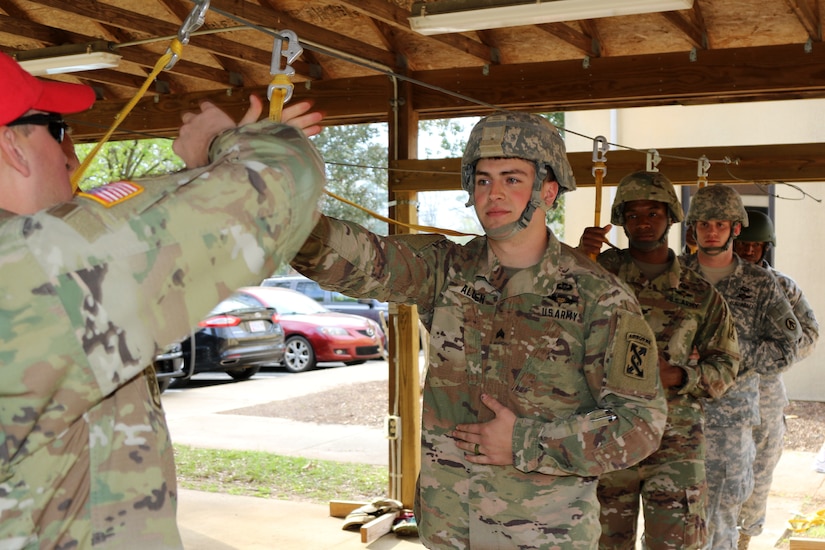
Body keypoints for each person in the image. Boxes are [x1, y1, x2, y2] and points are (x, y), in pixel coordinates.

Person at [291, 111, 668, 548]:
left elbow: (640, 423)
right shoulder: (447, 269)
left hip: (541, 535)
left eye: (512, 179)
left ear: (548, 191)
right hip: (447, 528)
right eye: (484, 179)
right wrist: (286, 201)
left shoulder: (598, 297)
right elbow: (355, 258)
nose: (494, 194)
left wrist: (525, 442)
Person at [0, 51, 326, 549]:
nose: (70, 154)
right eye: (57, 128)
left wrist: (210, 168)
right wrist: (222, 142)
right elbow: (281, 183)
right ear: (11, 145)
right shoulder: (27, 269)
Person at [578, 171, 740, 549]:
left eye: (653, 213)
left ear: (670, 217)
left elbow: (726, 365)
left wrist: (679, 376)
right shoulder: (597, 274)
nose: (643, 222)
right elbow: (553, 327)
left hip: (676, 442)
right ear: (622, 220)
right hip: (607, 433)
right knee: (599, 543)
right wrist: (575, 257)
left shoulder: (699, 293)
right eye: (633, 215)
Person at [680, 185, 802, 550]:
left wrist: (728, 353)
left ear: (736, 228)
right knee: (669, 518)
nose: (712, 231)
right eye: (704, 223)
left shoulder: (761, 284)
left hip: (729, 425)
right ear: (693, 228)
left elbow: (787, 348)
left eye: (721, 223)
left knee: (720, 520)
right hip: (674, 417)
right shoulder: (672, 274)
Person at [733, 209, 819, 549]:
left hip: (766, 393)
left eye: (757, 244)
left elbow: (809, 334)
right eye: (743, 243)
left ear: (767, 246)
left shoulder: (783, 286)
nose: (749, 251)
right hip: (721, 391)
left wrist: (770, 359)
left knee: (762, 469)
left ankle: (744, 539)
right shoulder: (712, 279)